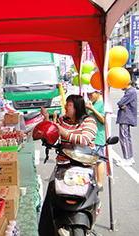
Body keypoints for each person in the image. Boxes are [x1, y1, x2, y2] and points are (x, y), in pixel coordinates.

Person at [39, 94, 97, 235]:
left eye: (69, 104)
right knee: (52, 196)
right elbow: (51, 134)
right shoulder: (62, 120)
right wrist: (47, 120)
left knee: (90, 194)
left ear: (77, 106)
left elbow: (83, 139)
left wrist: (61, 130)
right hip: (63, 164)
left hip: (83, 166)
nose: (65, 107)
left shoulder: (89, 121)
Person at [86, 86, 105, 191]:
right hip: (89, 136)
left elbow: (103, 120)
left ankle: (99, 183)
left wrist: (92, 109)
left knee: (100, 160)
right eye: (88, 94)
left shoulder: (102, 104)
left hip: (98, 136)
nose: (89, 96)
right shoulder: (90, 103)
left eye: (91, 94)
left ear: (98, 92)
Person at [116, 83, 137, 166]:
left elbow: (121, 102)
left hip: (125, 117)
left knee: (124, 137)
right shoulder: (131, 91)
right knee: (126, 137)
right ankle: (129, 156)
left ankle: (127, 158)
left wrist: (121, 104)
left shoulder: (130, 92)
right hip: (127, 116)